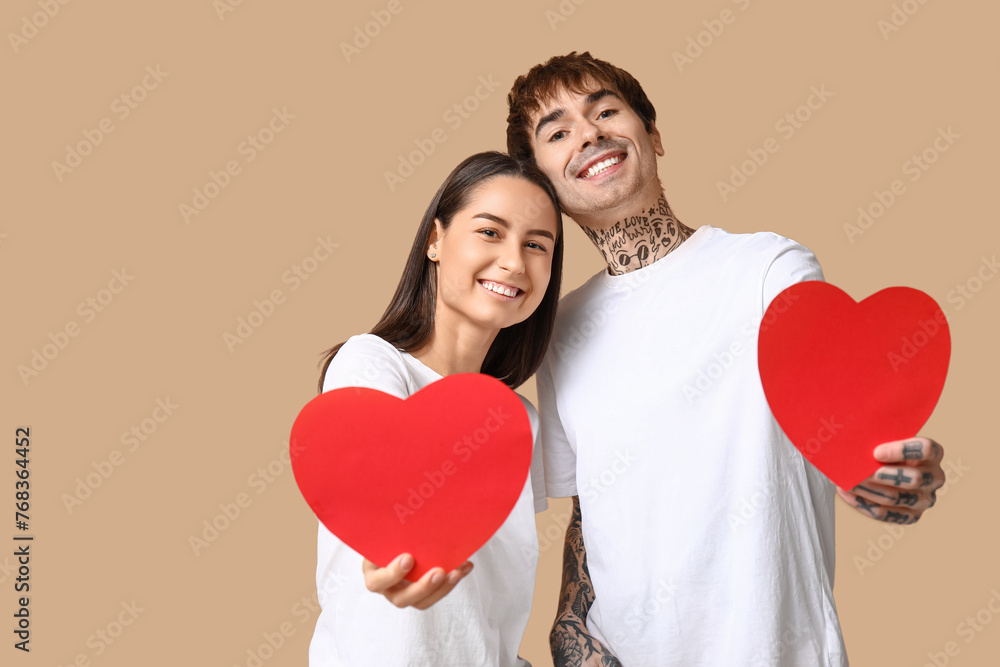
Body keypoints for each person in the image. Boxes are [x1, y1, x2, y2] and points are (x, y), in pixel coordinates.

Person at [504, 52, 947, 666]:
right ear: (545, 185)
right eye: (558, 132)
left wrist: (883, 471)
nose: (589, 133)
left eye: (606, 110)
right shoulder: (559, 332)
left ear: (652, 136)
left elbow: (840, 420)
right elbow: (595, 504)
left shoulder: (769, 269)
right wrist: (573, 634)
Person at [307, 151, 565, 666]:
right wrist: (394, 567)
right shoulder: (371, 364)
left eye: (536, 245)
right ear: (435, 240)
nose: (515, 261)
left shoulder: (521, 421)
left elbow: (492, 599)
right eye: (490, 232)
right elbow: (378, 505)